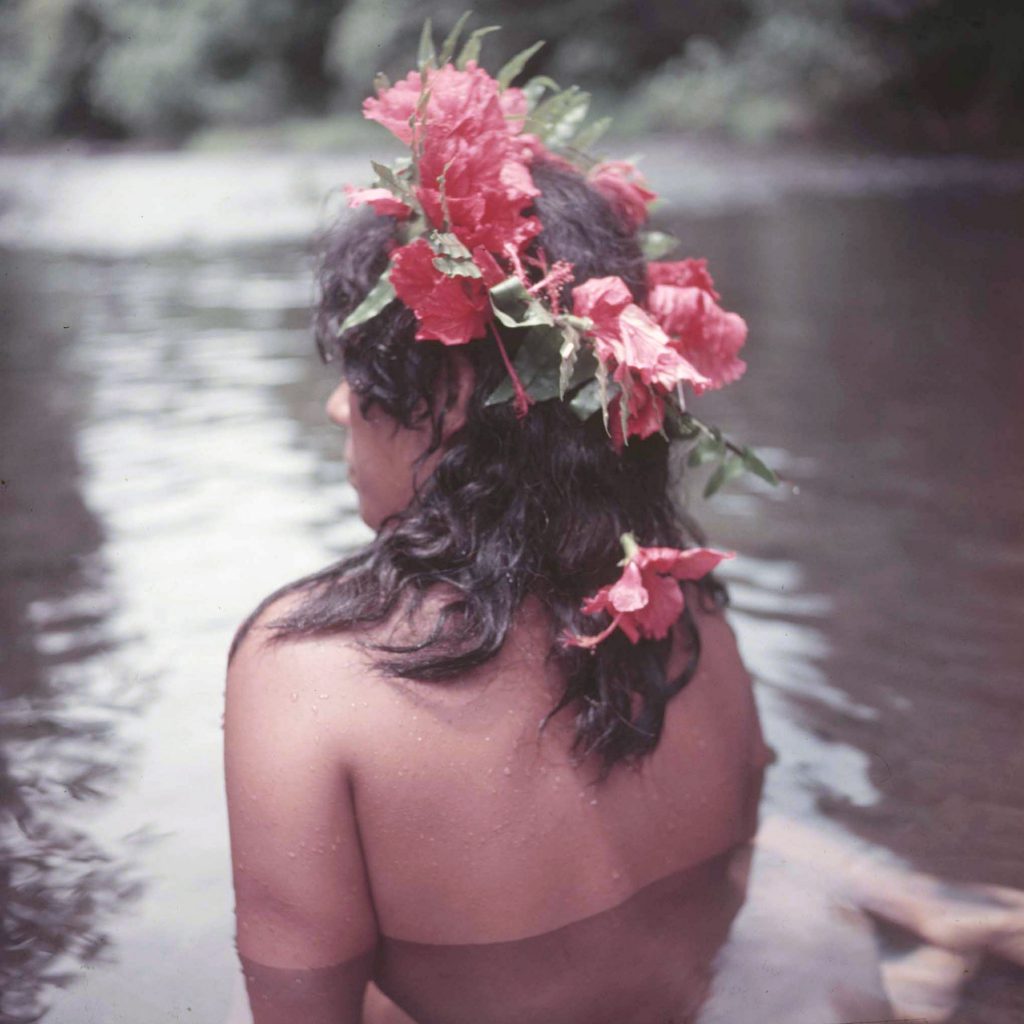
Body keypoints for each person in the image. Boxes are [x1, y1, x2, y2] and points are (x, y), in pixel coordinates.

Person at [223, 33, 1024, 1024]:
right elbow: (726, 861)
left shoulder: (309, 675)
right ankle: (919, 931)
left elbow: (298, 1008)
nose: (343, 409)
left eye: (361, 376)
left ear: (453, 391)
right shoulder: (687, 615)